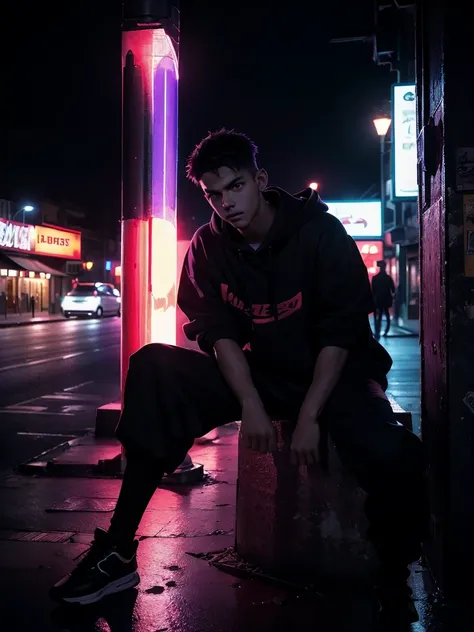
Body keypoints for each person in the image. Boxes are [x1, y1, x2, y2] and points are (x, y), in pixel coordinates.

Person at [50, 130, 428, 625]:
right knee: (153, 366)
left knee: (394, 451)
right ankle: (118, 551)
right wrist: (249, 402)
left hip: (337, 378)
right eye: (214, 193)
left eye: (235, 187)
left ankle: (392, 580)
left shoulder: (320, 234)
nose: (227, 202)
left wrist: (311, 415)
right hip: (266, 374)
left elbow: (342, 332)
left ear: (260, 180)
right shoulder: (209, 246)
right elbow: (217, 332)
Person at [371, 260, 396, 338]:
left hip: (377, 300)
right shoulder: (388, 278)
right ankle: (385, 331)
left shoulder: (375, 278)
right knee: (387, 316)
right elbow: (393, 289)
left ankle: (377, 331)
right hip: (386, 300)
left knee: (378, 317)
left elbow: (373, 290)